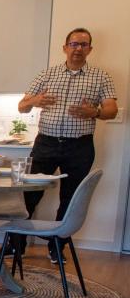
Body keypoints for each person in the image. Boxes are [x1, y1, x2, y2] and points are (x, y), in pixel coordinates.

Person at [17, 28, 117, 263]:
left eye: (83, 45)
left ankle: (56, 246)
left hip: (79, 147)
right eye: (74, 44)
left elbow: (111, 109)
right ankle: (17, 245)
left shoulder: (101, 76)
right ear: (65, 47)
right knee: (28, 194)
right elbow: (22, 106)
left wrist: (95, 111)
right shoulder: (47, 74)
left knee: (70, 199)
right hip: (46, 144)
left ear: (90, 49)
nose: (78, 49)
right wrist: (36, 100)